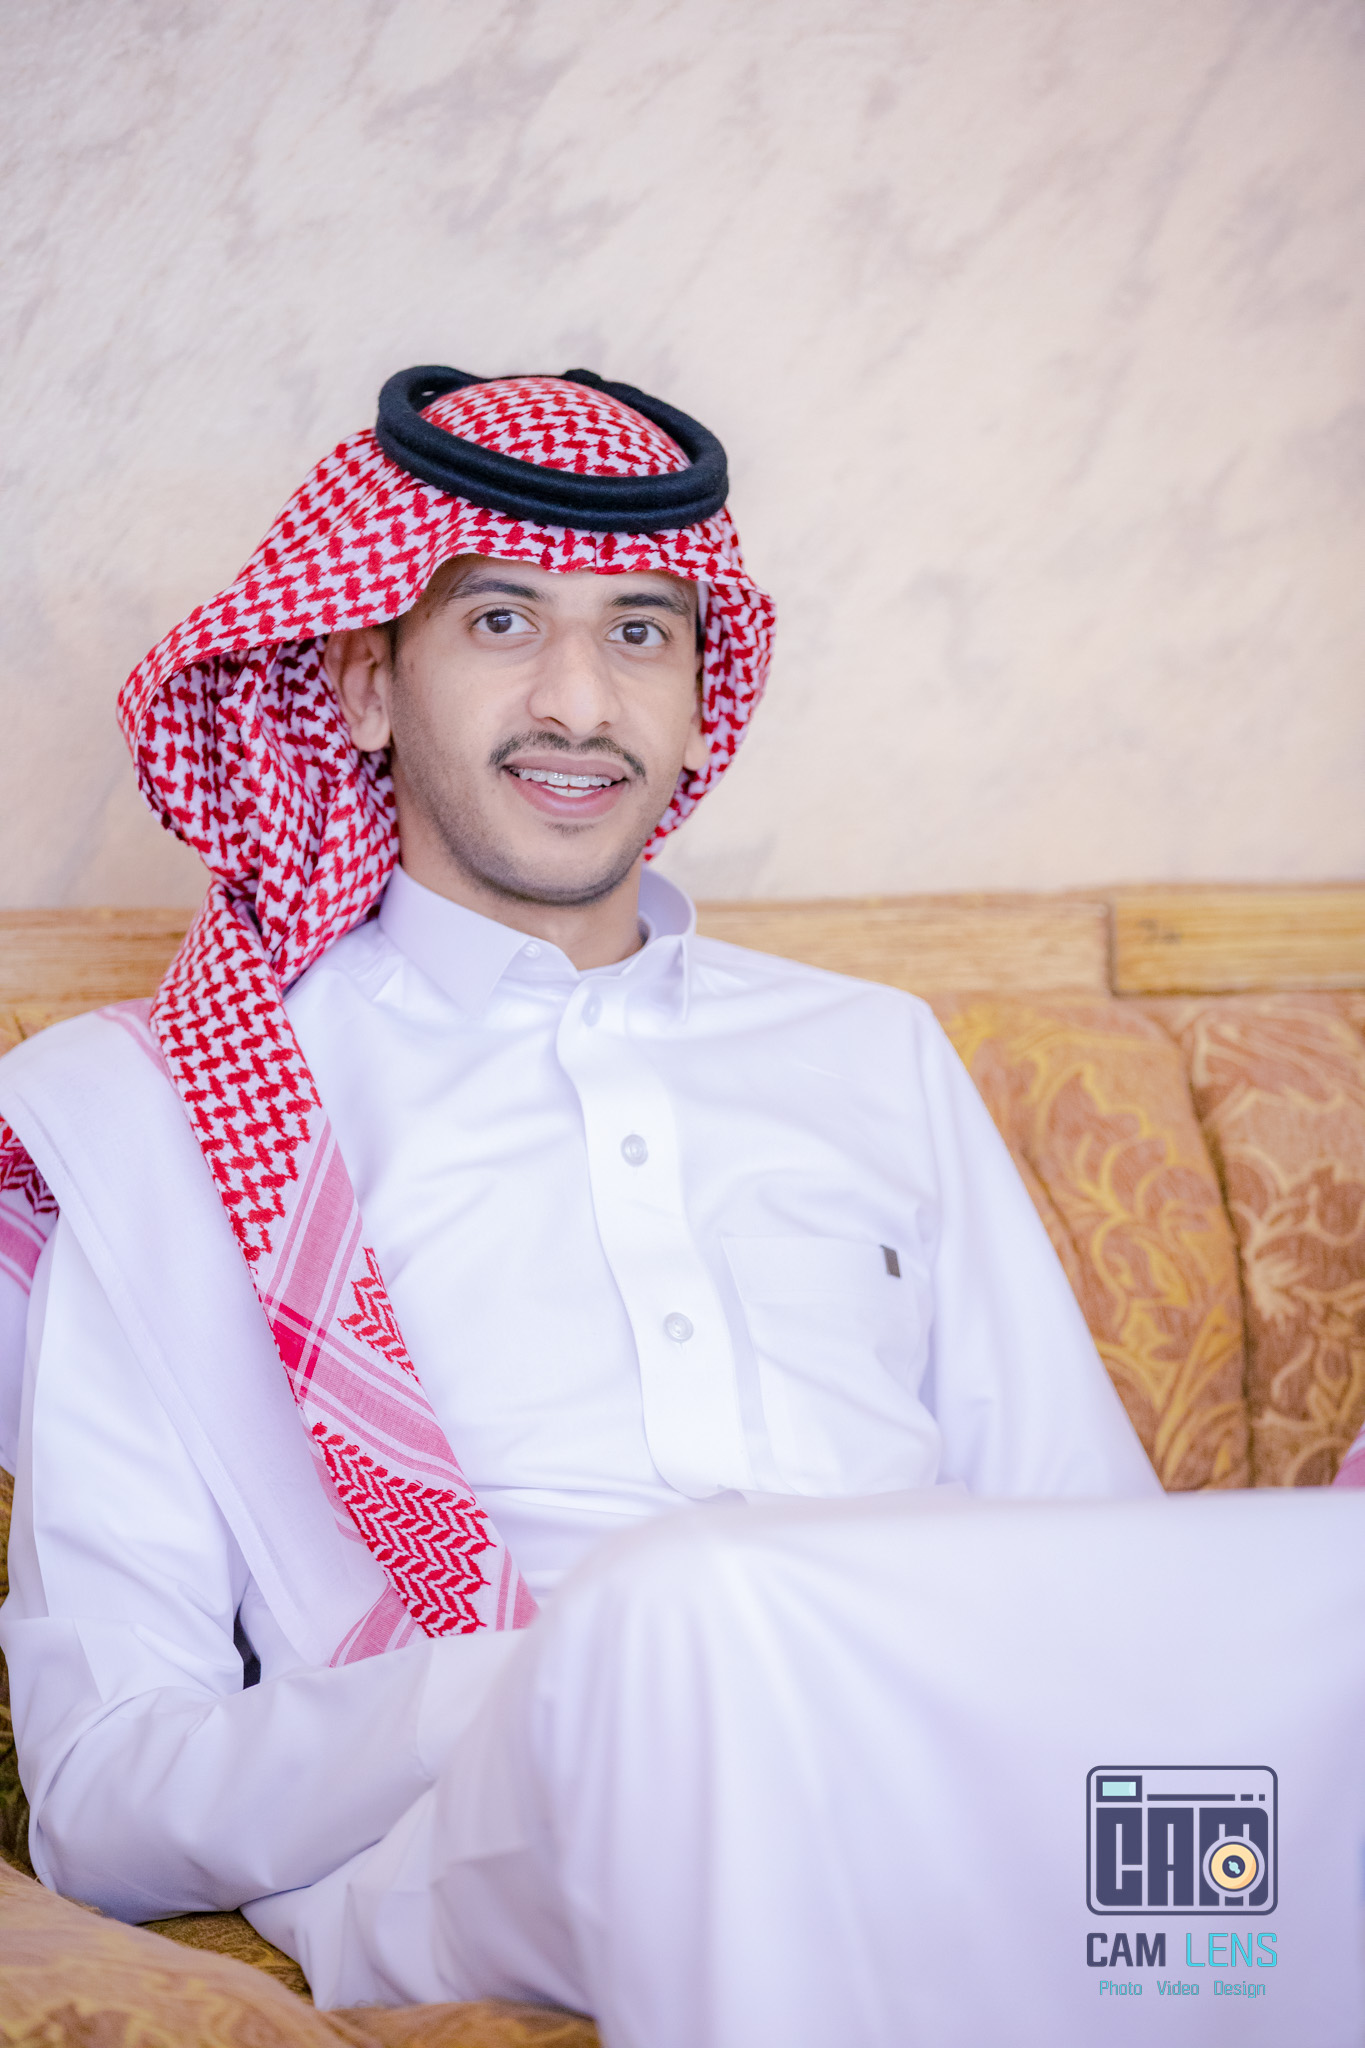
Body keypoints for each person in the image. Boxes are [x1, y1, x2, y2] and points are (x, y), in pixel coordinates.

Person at [0, 369, 1361, 2048]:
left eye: (639, 632)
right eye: (500, 620)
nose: (579, 703)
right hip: (512, 1803)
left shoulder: (869, 1049)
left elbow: (1103, 1572)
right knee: (700, 1612)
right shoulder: (160, 1117)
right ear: (360, 679)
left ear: (701, 692)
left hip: (950, 1728)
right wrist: (554, 1672)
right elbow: (101, 1787)